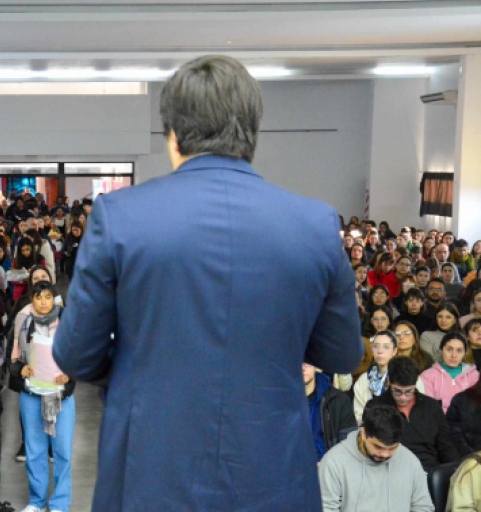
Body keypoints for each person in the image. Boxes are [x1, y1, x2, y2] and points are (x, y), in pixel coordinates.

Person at [52, 55, 363, 510]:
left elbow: (76, 352)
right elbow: (341, 353)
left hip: (150, 470)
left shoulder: (120, 216)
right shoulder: (314, 223)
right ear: (252, 133)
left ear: (173, 136)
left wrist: (140, 368)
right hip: (271, 470)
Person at [12, 282, 74, 512]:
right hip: (31, 395)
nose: (43, 301)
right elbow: (15, 357)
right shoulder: (24, 322)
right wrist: (20, 369)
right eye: (38, 297)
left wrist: (70, 374)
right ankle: (36, 501)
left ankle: (59, 502)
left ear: (54, 299)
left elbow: (77, 357)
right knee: (35, 450)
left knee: (63, 451)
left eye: (48, 296)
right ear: (32, 300)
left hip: (60, 397)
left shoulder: (66, 324)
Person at [318, 404, 433, 512]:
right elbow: (326, 508)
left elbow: (422, 506)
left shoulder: (410, 461)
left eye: (392, 448)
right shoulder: (333, 462)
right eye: (378, 447)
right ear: (364, 434)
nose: (385, 454)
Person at [366, 356, 461, 470]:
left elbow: (446, 446)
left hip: (429, 468)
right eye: (397, 391)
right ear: (389, 381)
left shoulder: (431, 407)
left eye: (409, 391)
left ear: (416, 383)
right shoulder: (375, 407)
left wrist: (457, 471)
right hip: (392, 468)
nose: (403, 397)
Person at [421, 332, 479, 413]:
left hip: (467, 422)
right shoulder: (428, 376)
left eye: (459, 351)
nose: (454, 355)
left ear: (464, 353)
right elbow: (428, 408)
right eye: (449, 349)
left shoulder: (474, 375)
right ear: (441, 350)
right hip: (440, 422)